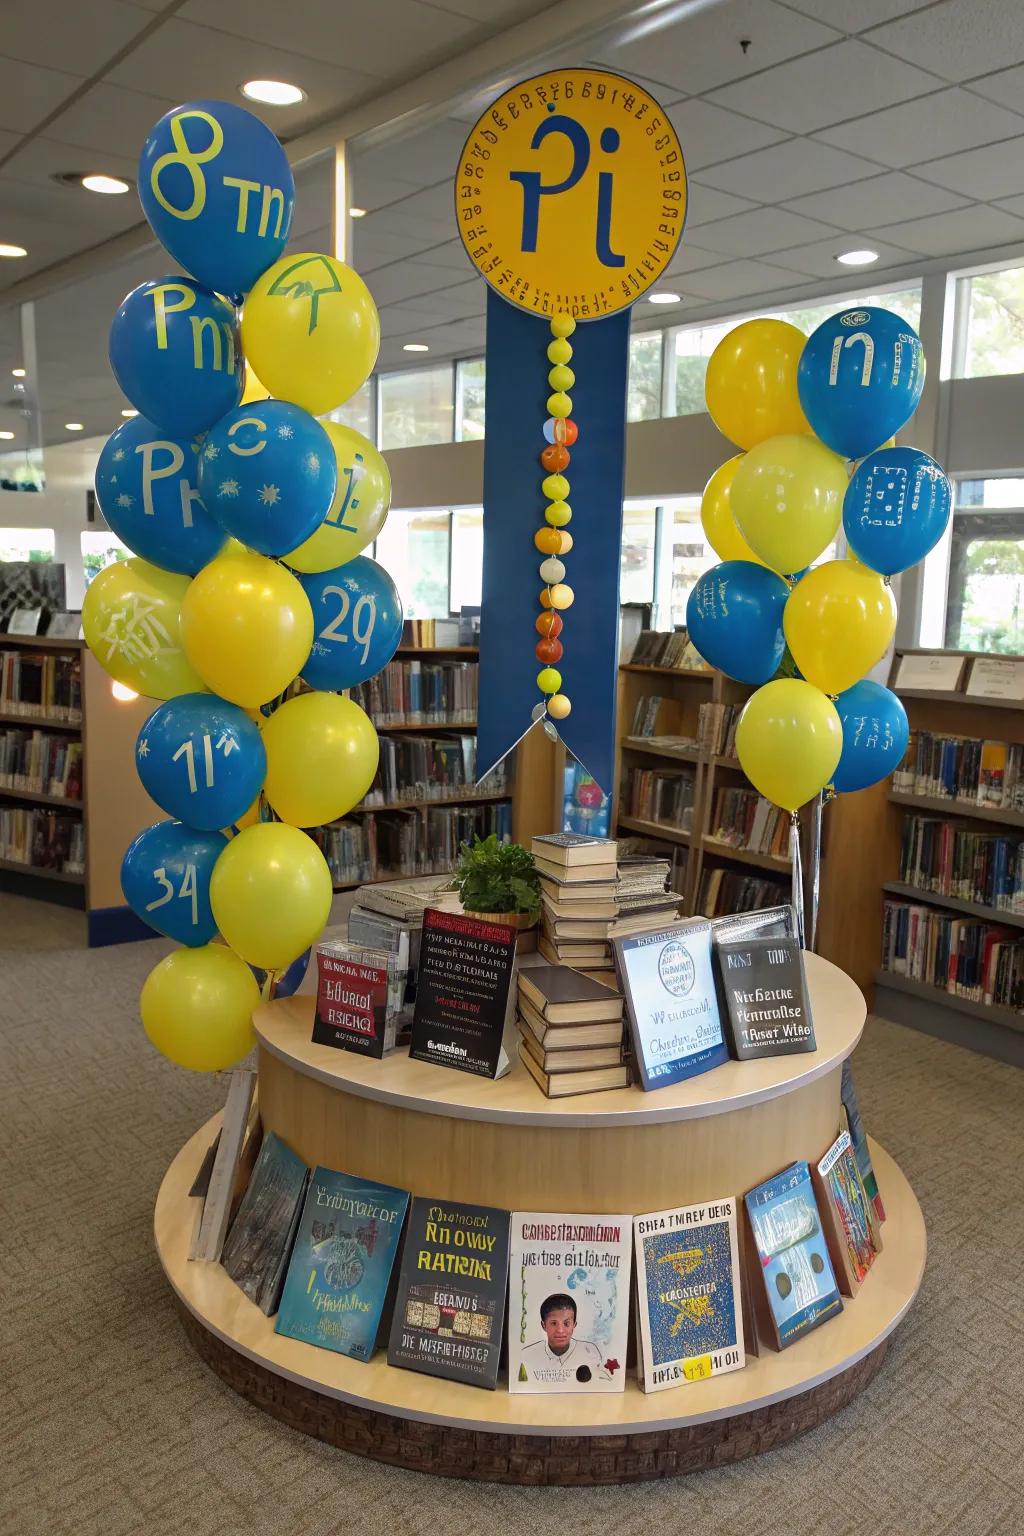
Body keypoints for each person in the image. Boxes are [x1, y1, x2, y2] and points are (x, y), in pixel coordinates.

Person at [519, 1292, 603, 1377]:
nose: (560, 1330)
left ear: (574, 1325)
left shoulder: (589, 1351)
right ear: (544, 1325)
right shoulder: (527, 1355)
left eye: (566, 1323)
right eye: (554, 1323)